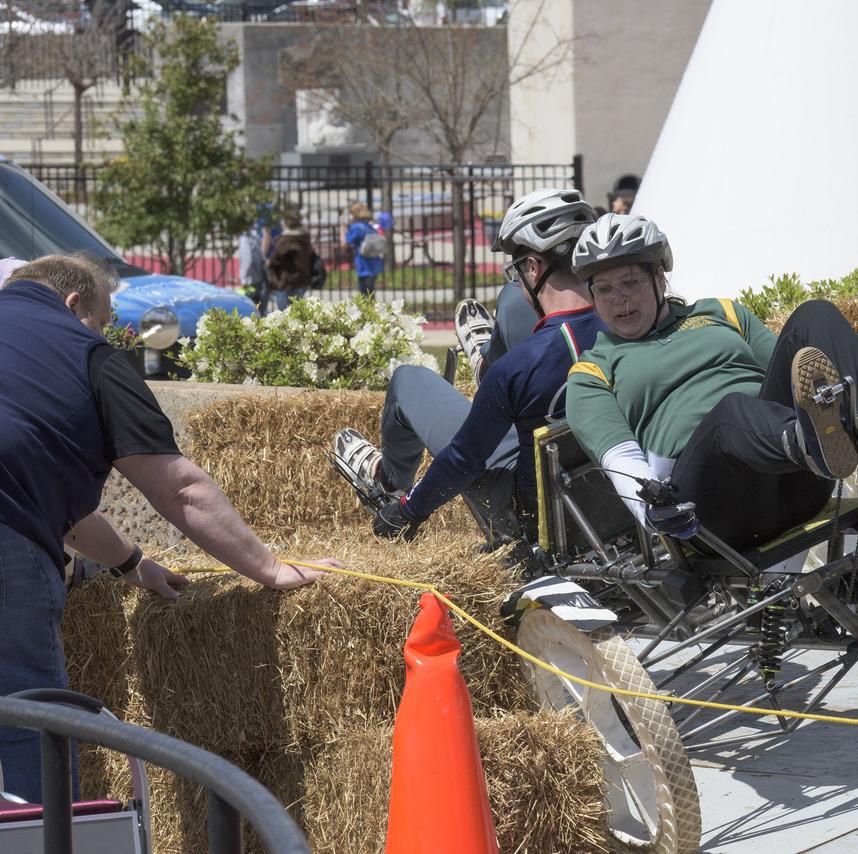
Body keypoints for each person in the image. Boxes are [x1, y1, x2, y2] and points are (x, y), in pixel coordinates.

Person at [0, 254, 338, 804]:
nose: (104, 334)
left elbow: (52, 503)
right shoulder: (87, 354)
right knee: (29, 723)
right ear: (74, 304)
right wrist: (270, 569)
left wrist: (133, 564)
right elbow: (177, 488)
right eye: (105, 321)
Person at [564, 214, 858, 550]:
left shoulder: (722, 313)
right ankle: (811, 443)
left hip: (797, 484)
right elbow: (623, 463)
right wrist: (653, 512)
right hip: (716, 508)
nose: (619, 300)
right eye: (604, 290)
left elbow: (791, 375)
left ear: (659, 277)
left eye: (630, 282)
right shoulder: (592, 371)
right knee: (731, 412)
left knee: (814, 315)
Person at [330, 188, 605, 545]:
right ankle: (487, 361)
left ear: (533, 267)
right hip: (612, 505)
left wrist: (408, 512)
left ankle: (388, 481)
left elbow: (464, 460)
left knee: (407, 379)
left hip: (532, 520)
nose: (519, 284)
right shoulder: (631, 332)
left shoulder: (520, 367)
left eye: (518, 272)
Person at [265, 213, 317, 312]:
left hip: (285, 282)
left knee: (284, 312)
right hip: (301, 280)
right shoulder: (305, 239)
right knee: (296, 312)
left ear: (286, 224)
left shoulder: (285, 240)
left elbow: (276, 259)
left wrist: (269, 263)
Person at [342, 202, 384, 297]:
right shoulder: (369, 226)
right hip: (375, 264)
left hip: (364, 265)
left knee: (364, 296)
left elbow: (345, 244)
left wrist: (343, 228)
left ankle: (370, 311)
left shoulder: (356, 228)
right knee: (370, 294)